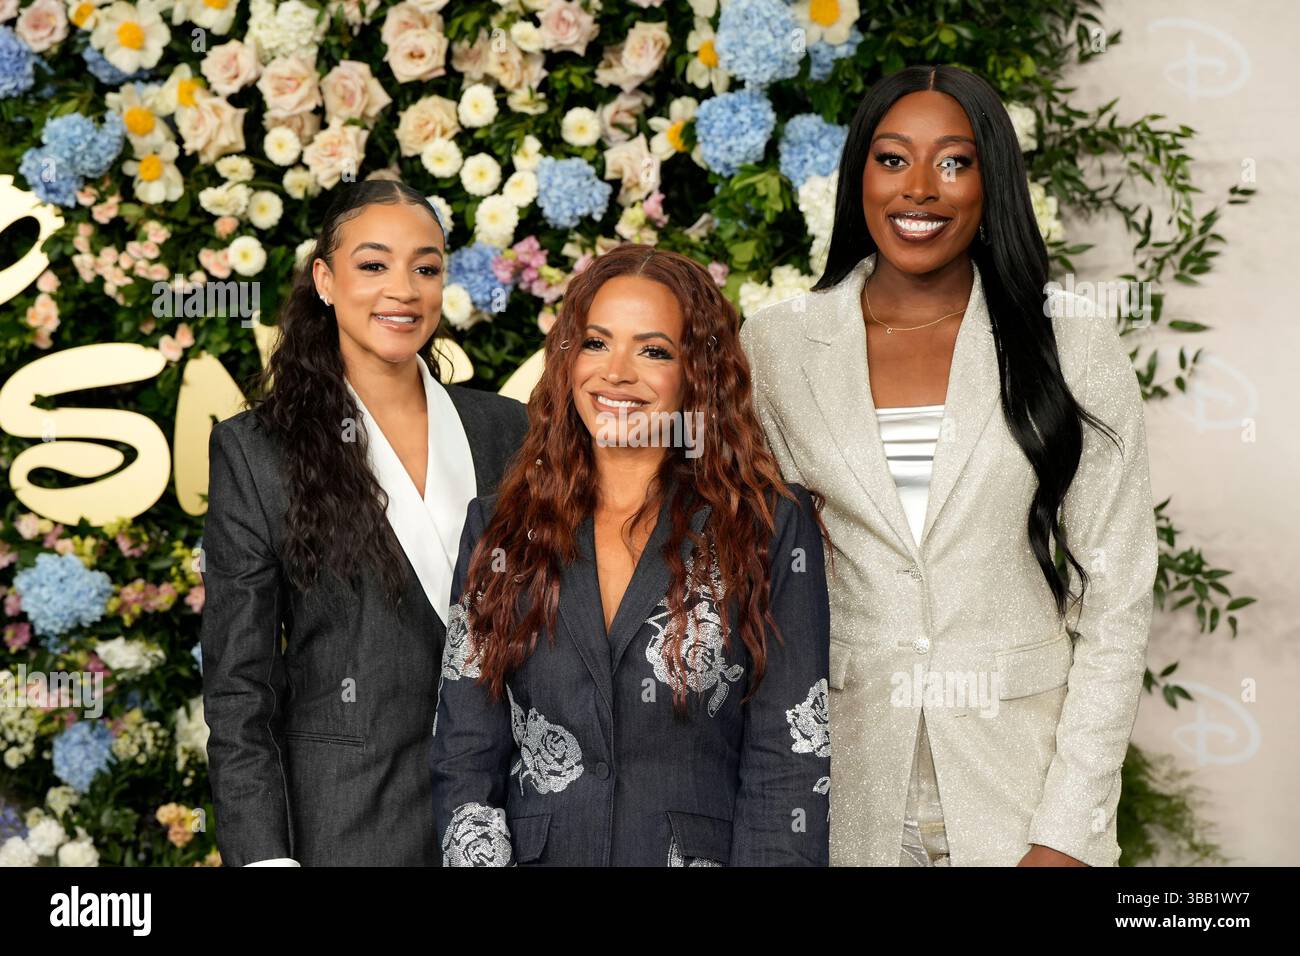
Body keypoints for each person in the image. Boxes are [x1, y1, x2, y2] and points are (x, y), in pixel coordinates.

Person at [740, 65, 1158, 867]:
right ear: (858, 173)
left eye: (954, 162)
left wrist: (1066, 830)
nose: (920, 189)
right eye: (893, 159)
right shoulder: (779, 346)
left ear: (990, 178)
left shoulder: (1071, 341)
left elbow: (1116, 596)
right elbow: (761, 577)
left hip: (1022, 789)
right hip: (843, 790)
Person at [430, 244, 831, 866]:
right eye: (595, 343)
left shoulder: (768, 528)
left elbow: (790, 762)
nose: (616, 372)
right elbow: (465, 755)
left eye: (653, 350)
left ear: (697, 372)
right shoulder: (499, 528)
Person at [200, 179, 528, 866]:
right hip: (344, 828)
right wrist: (264, 858)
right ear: (325, 279)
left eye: (427, 267)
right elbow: (239, 688)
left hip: (507, 819)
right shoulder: (259, 451)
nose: (402, 290)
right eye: (373, 265)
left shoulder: (507, 428)